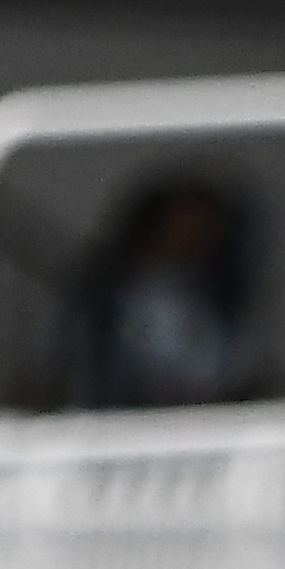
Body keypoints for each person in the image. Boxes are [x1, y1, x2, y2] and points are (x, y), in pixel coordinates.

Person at [58, 177, 261, 413]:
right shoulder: (117, 295)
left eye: (203, 229)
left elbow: (228, 363)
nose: (193, 237)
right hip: (127, 416)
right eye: (184, 227)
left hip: (202, 417)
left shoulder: (213, 293)